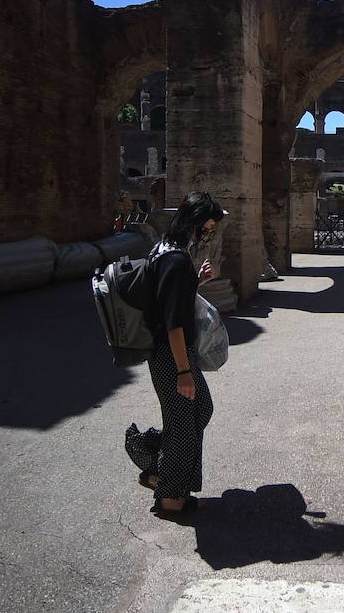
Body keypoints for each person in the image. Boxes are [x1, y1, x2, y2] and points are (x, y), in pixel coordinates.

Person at [139, 191, 225, 519]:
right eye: (208, 228)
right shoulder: (174, 260)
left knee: (198, 411)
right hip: (169, 354)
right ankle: (170, 496)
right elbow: (173, 323)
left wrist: (197, 283)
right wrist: (183, 371)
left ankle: (163, 472)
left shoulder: (167, 250)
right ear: (195, 223)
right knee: (184, 423)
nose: (208, 234)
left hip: (171, 351)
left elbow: (171, 302)